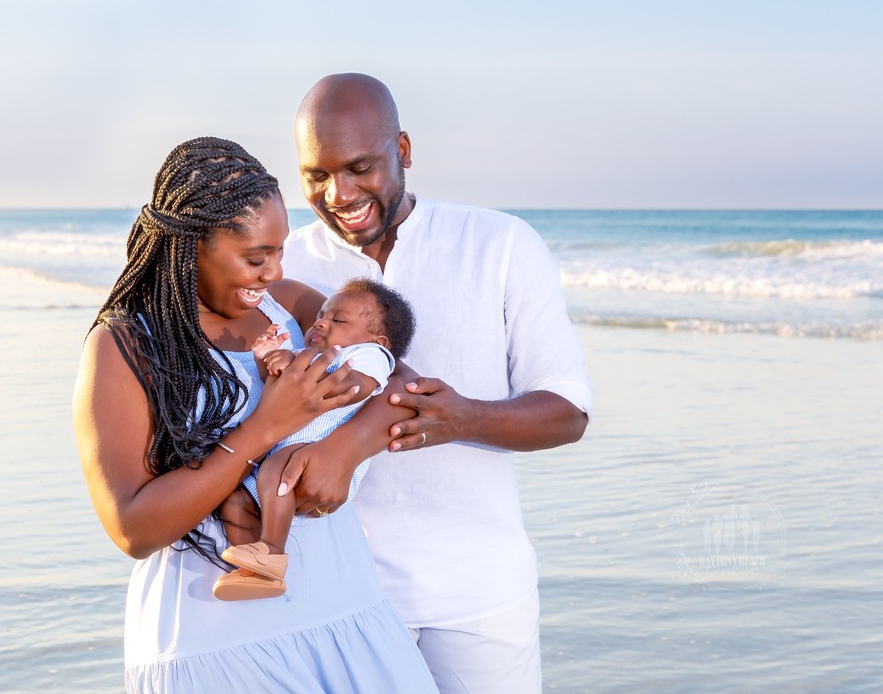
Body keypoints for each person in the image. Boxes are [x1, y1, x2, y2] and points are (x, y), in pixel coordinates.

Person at [72, 136, 436, 692]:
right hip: (214, 639)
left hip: (343, 607)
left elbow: (398, 377)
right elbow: (132, 529)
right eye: (256, 257)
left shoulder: (288, 305)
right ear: (192, 245)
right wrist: (267, 426)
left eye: (281, 251)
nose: (273, 271)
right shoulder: (125, 346)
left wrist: (344, 448)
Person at [277, 73, 594, 693]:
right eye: (316, 174)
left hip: (479, 596)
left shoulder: (500, 244)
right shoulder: (285, 262)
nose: (338, 193)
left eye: (359, 167)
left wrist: (465, 418)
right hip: (332, 599)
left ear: (404, 151)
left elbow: (568, 410)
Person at [213, 277, 416, 601]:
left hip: (319, 444)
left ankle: (271, 548)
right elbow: (279, 390)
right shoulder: (308, 352)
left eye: (337, 319)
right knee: (234, 500)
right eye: (322, 314)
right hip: (287, 441)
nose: (321, 321)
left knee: (277, 470)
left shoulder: (369, 355)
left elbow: (351, 388)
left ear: (378, 339)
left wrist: (295, 366)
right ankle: (257, 570)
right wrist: (270, 360)